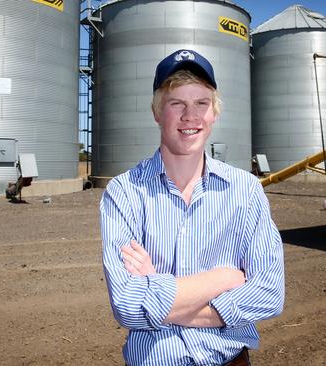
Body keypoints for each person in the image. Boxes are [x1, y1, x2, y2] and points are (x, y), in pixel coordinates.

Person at [100, 49, 284, 366]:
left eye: (201, 103)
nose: (191, 116)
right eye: (177, 104)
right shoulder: (125, 192)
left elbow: (268, 293)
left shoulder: (245, 191)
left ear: (214, 113)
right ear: (157, 112)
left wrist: (157, 293)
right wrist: (223, 279)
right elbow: (128, 307)